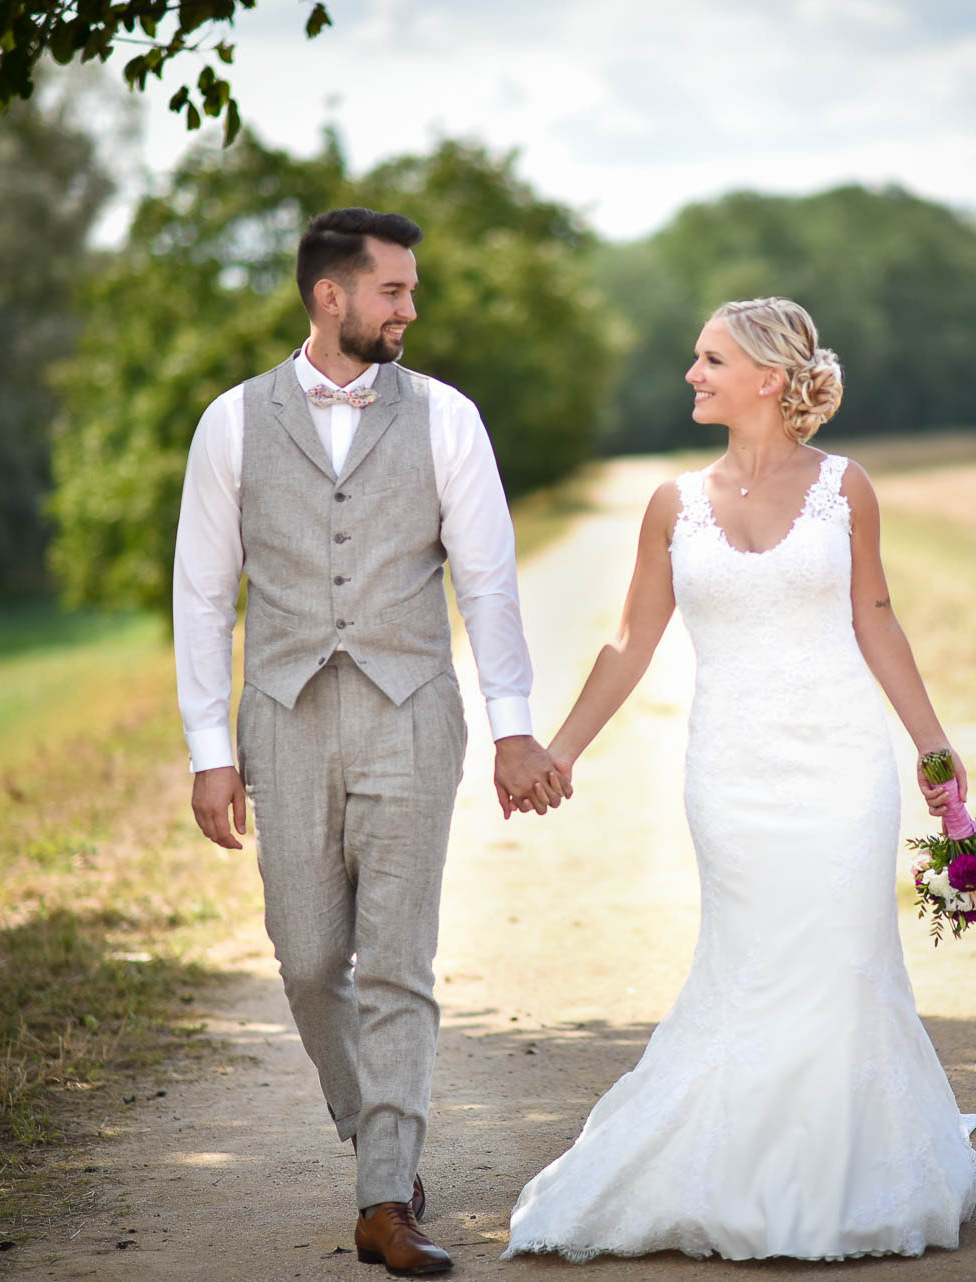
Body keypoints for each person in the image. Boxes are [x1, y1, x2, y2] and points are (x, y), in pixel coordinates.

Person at [504, 297, 976, 1261]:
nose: (691, 374)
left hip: (843, 765)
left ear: (768, 378)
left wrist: (933, 750)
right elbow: (632, 642)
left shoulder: (846, 488)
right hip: (730, 772)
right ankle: (732, 1169)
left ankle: (840, 1176)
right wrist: (559, 751)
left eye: (709, 359)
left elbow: (876, 618)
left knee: (841, 958)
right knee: (752, 963)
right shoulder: (672, 504)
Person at [173, 206, 568, 1277]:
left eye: (411, 289)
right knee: (308, 961)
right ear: (330, 295)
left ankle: (386, 1196)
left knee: (397, 960)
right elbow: (204, 598)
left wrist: (513, 729)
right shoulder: (231, 423)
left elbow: (486, 581)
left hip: (410, 711)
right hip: (284, 718)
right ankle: (370, 1125)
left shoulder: (445, 417)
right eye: (394, 288)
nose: (410, 307)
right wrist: (210, 747)